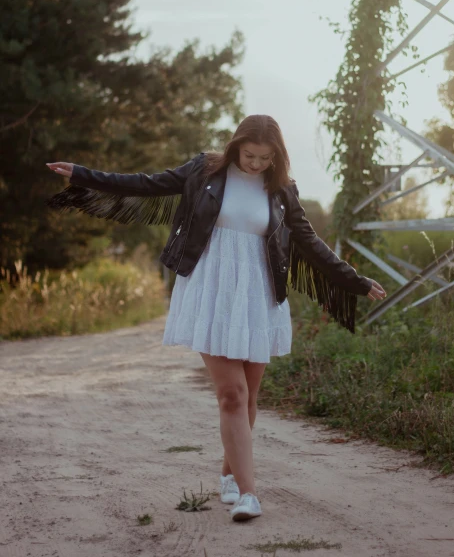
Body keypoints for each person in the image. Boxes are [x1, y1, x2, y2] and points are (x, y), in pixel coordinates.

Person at [46, 114, 386, 523]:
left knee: (250, 397)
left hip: (257, 296)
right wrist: (83, 175)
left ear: (276, 156)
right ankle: (248, 494)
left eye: (265, 157)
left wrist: (354, 281)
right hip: (211, 291)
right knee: (232, 395)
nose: (256, 164)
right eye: (249, 155)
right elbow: (147, 183)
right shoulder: (203, 171)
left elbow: (310, 243)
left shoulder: (281, 191)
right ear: (235, 147)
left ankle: (229, 474)